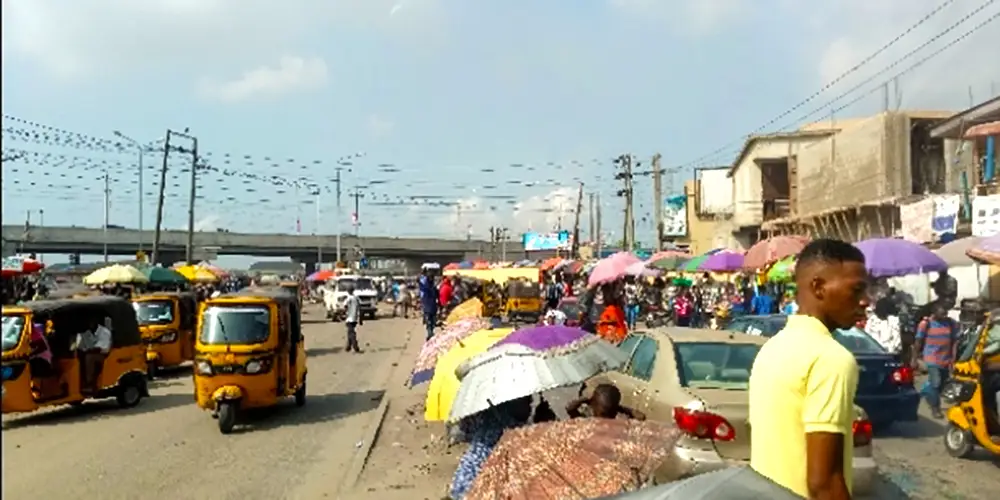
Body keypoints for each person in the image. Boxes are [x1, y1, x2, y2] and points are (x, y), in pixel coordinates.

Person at [749, 239, 866, 500]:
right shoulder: (831, 358)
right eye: (856, 290)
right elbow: (823, 482)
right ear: (819, 287)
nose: (865, 301)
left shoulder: (771, 348)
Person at [449, 396, 532, 500]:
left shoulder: (486, 422)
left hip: (462, 484)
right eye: (526, 400)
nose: (530, 403)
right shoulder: (510, 434)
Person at [914, 303, 959, 419]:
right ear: (934, 312)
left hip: (945, 359)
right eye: (942, 312)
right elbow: (918, 341)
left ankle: (925, 390)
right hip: (931, 357)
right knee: (936, 382)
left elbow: (954, 341)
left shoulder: (951, 323)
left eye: (946, 312)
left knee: (941, 384)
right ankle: (936, 408)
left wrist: (953, 359)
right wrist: (914, 359)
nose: (945, 314)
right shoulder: (926, 324)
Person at [566, 383, 646, 420]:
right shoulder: (619, 423)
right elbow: (641, 417)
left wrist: (585, 400)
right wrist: (619, 408)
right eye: (603, 413)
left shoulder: (587, 421)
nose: (604, 418)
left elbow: (569, 408)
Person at [75, 317, 113, 394]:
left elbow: (101, 348)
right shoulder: (86, 332)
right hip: (89, 352)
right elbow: (79, 345)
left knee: (89, 357)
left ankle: (90, 383)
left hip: (103, 354)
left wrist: (88, 350)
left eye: (91, 321)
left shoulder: (104, 332)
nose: (90, 323)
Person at [418, 270, 438, 340]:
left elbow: (421, 285)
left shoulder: (427, 287)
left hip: (427, 307)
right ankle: (431, 332)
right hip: (432, 306)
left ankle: (430, 333)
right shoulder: (433, 288)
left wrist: (420, 279)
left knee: (429, 321)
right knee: (431, 321)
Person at [344, 286, 362, 353]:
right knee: (350, 332)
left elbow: (345, 307)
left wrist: (343, 314)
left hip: (349, 318)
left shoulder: (348, 299)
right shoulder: (356, 298)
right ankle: (348, 347)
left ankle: (355, 347)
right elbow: (360, 308)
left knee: (351, 333)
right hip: (355, 318)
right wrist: (360, 318)